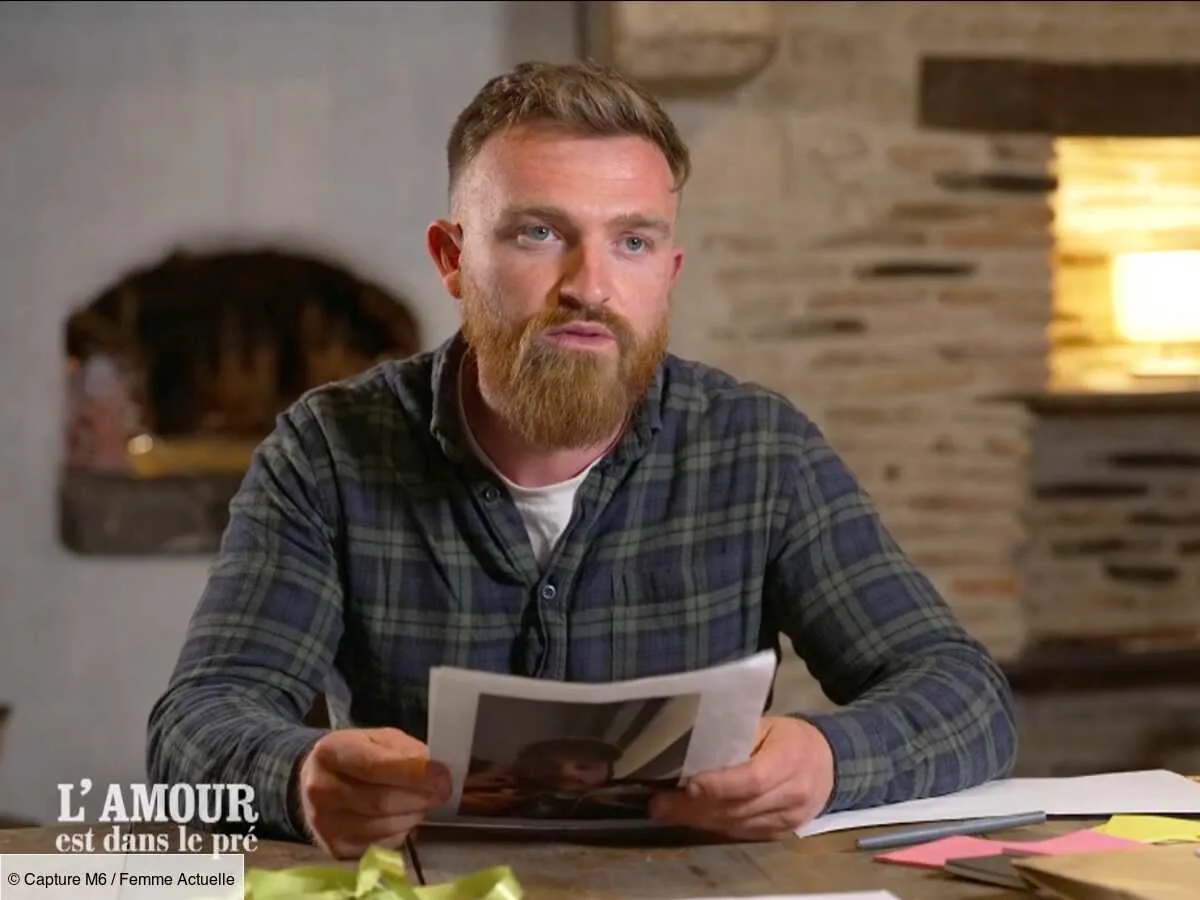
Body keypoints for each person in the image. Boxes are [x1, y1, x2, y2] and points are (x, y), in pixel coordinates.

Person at [146, 59, 1017, 859]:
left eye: (633, 242)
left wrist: (827, 757)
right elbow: (196, 722)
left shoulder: (759, 449)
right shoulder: (328, 452)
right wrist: (303, 777)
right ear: (453, 259)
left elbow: (964, 693)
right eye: (538, 233)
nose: (591, 287)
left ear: (668, 271)